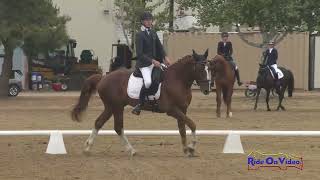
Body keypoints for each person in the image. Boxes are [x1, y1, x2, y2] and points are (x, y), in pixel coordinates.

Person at [132, 11, 171, 115]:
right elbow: (140, 54)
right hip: (144, 64)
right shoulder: (139, 35)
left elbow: (159, 47)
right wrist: (153, 61)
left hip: (155, 63)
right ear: (142, 22)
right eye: (147, 20)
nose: (149, 22)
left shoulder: (153, 33)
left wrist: (165, 57)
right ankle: (139, 104)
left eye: (150, 20)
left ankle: (155, 99)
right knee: (148, 82)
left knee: (164, 76)